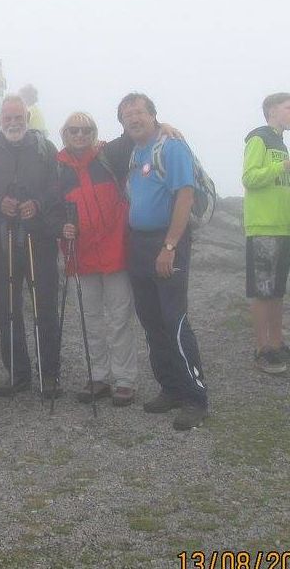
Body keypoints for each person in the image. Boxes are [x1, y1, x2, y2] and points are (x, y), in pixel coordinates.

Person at [119, 92, 208, 430]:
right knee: (152, 321)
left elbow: (185, 194)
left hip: (166, 240)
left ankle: (195, 397)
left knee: (175, 320)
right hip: (139, 244)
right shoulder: (136, 151)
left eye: (139, 112)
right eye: (127, 116)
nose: (134, 119)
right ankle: (170, 388)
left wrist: (169, 246)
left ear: (154, 115)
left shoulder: (172, 147)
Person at [0, 94, 64, 398]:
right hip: (1, 241)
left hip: (41, 240)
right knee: (7, 310)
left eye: (18, 117)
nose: (13, 123)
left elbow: (57, 187)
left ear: (27, 118)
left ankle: (49, 375)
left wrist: (36, 203)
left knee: (45, 308)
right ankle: (17, 373)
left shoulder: (45, 149)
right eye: (7, 118)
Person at [57, 112, 138, 406]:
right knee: (90, 320)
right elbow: (52, 209)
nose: (80, 135)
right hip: (81, 254)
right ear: (64, 133)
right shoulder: (56, 169)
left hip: (116, 250)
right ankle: (99, 376)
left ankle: (125, 379)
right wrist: (59, 227)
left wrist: (163, 126)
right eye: (74, 130)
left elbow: (134, 134)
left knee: (119, 319)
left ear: (94, 132)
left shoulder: (108, 156)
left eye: (86, 130)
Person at [242, 92, 290, 373]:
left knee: (277, 290)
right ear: (272, 110)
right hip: (263, 226)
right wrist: (280, 166)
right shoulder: (258, 138)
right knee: (263, 291)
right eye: (288, 107)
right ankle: (262, 348)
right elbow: (249, 178)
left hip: (283, 225)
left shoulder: (281, 143)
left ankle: (277, 341)